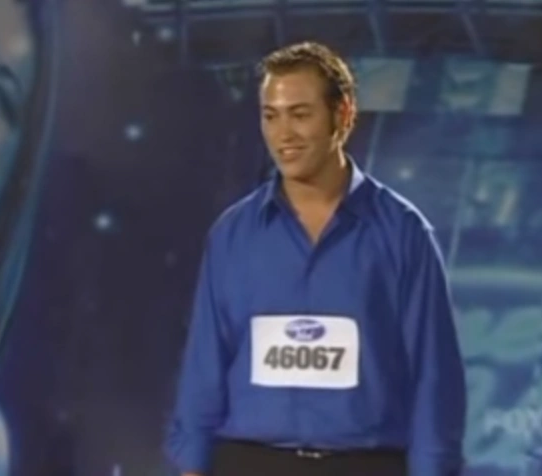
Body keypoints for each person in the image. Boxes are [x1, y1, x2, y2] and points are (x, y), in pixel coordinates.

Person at [165, 41, 466, 476]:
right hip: (249, 462)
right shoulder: (232, 235)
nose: (283, 134)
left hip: (365, 464)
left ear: (343, 115)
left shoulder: (404, 234)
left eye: (300, 114)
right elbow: (204, 366)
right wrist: (192, 465)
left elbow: (434, 375)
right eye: (271, 116)